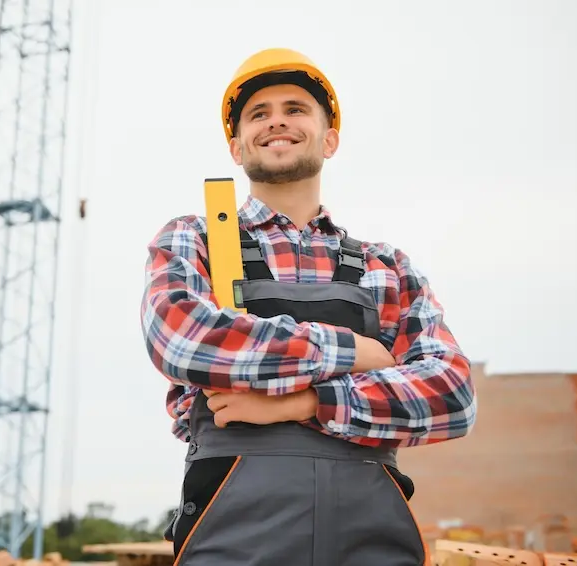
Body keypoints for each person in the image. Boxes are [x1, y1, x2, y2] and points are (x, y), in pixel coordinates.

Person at [139, 47, 477, 565]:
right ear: (237, 147)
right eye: (259, 113)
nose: (277, 121)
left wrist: (307, 404)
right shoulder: (197, 239)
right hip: (235, 535)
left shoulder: (385, 266)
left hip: (373, 541)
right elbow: (183, 339)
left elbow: (452, 394)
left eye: (295, 109)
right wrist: (353, 351)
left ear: (330, 138)